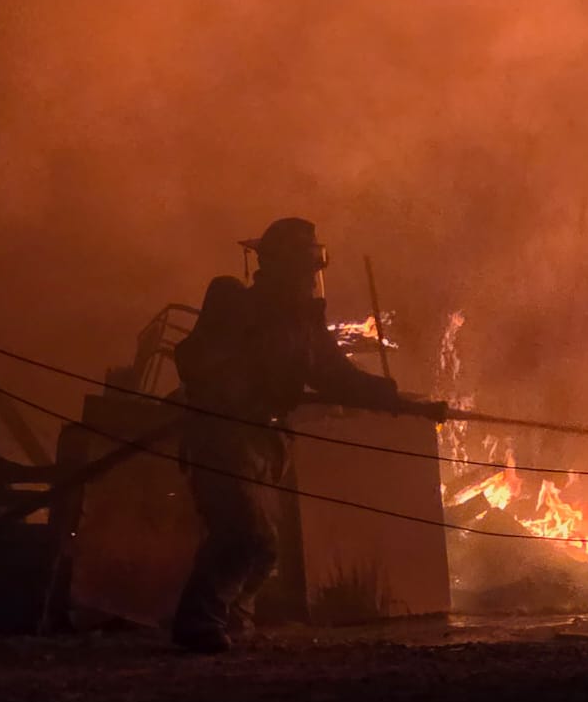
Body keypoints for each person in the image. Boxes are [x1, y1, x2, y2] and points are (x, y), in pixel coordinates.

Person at [170, 217, 440, 653]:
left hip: (264, 440)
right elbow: (196, 360)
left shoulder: (305, 324)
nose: (310, 275)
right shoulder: (232, 302)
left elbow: (337, 378)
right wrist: (239, 387)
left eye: (313, 263)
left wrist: (399, 402)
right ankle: (198, 624)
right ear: (276, 265)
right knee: (246, 532)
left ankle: (234, 621)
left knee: (264, 547)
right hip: (222, 434)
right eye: (302, 263)